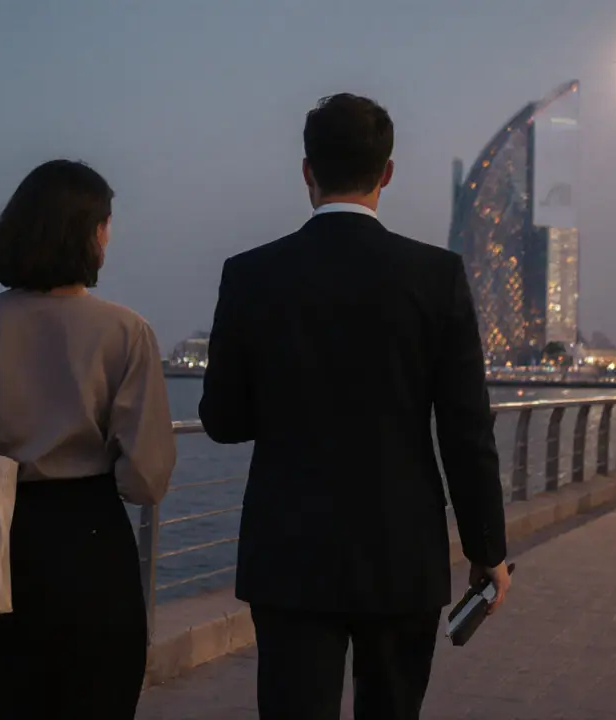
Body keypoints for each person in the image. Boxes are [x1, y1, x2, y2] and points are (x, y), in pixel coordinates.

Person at [200, 94, 510, 720]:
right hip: (402, 551)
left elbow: (223, 420)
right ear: (387, 172)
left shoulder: (251, 274)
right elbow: (465, 429)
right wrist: (487, 548)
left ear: (307, 171)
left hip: (288, 551)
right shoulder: (436, 275)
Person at [0, 160, 176, 719]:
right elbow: (146, 479)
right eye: (106, 222)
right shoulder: (126, 332)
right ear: (91, 232)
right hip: (93, 538)